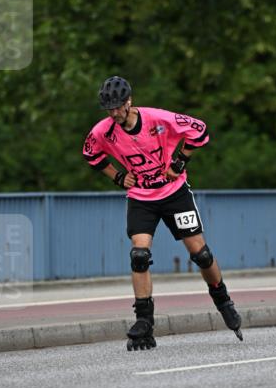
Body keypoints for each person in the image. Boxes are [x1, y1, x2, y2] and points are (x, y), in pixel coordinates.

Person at [83, 75, 243, 350]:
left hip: (175, 194)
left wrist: (180, 161)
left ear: (129, 102)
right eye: (109, 109)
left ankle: (223, 299)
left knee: (200, 254)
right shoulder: (103, 131)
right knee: (139, 255)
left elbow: (200, 131)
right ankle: (144, 321)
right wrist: (117, 177)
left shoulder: (158, 119)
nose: (113, 113)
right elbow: (91, 154)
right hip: (142, 198)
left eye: (118, 107)